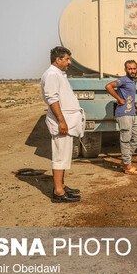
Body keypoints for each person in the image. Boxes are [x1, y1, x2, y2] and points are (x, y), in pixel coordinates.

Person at [41, 46, 85, 203]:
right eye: (67, 59)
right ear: (58, 59)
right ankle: (58, 192)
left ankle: (61, 185)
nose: (69, 62)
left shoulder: (59, 74)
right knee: (60, 156)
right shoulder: (52, 75)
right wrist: (61, 121)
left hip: (67, 121)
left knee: (65, 156)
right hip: (62, 122)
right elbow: (52, 99)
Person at [105, 58, 137, 175]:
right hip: (124, 114)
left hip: (132, 113)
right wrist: (119, 99)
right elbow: (108, 86)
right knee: (125, 140)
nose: (132, 71)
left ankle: (125, 160)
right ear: (125, 69)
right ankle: (128, 166)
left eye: (134, 69)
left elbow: (133, 72)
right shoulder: (123, 80)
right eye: (130, 69)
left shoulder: (131, 79)